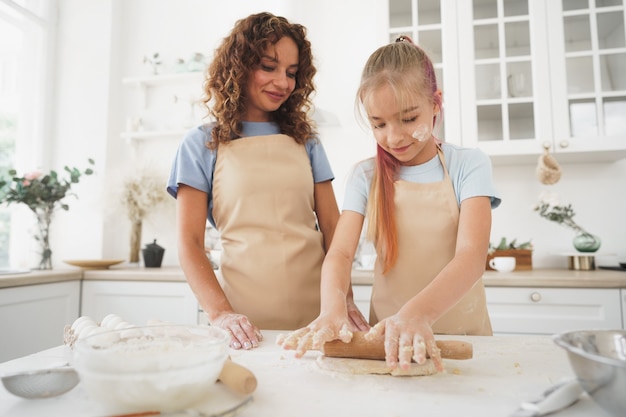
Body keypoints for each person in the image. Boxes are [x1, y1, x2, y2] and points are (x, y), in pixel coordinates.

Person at [279, 36, 501, 372]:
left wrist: (415, 315)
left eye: (409, 119)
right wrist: (332, 309)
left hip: (463, 339)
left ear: (436, 105)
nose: (394, 137)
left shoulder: (468, 165)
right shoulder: (364, 176)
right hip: (386, 343)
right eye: (378, 124)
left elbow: (471, 256)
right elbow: (339, 254)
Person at [167, 12, 353, 350]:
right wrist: (221, 314)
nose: (283, 82)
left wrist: (344, 303)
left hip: (317, 323)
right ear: (239, 67)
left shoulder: (306, 140)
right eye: (269, 67)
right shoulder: (201, 143)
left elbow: (333, 229)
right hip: (242, 329)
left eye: (292, 73)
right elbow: (189, 243)